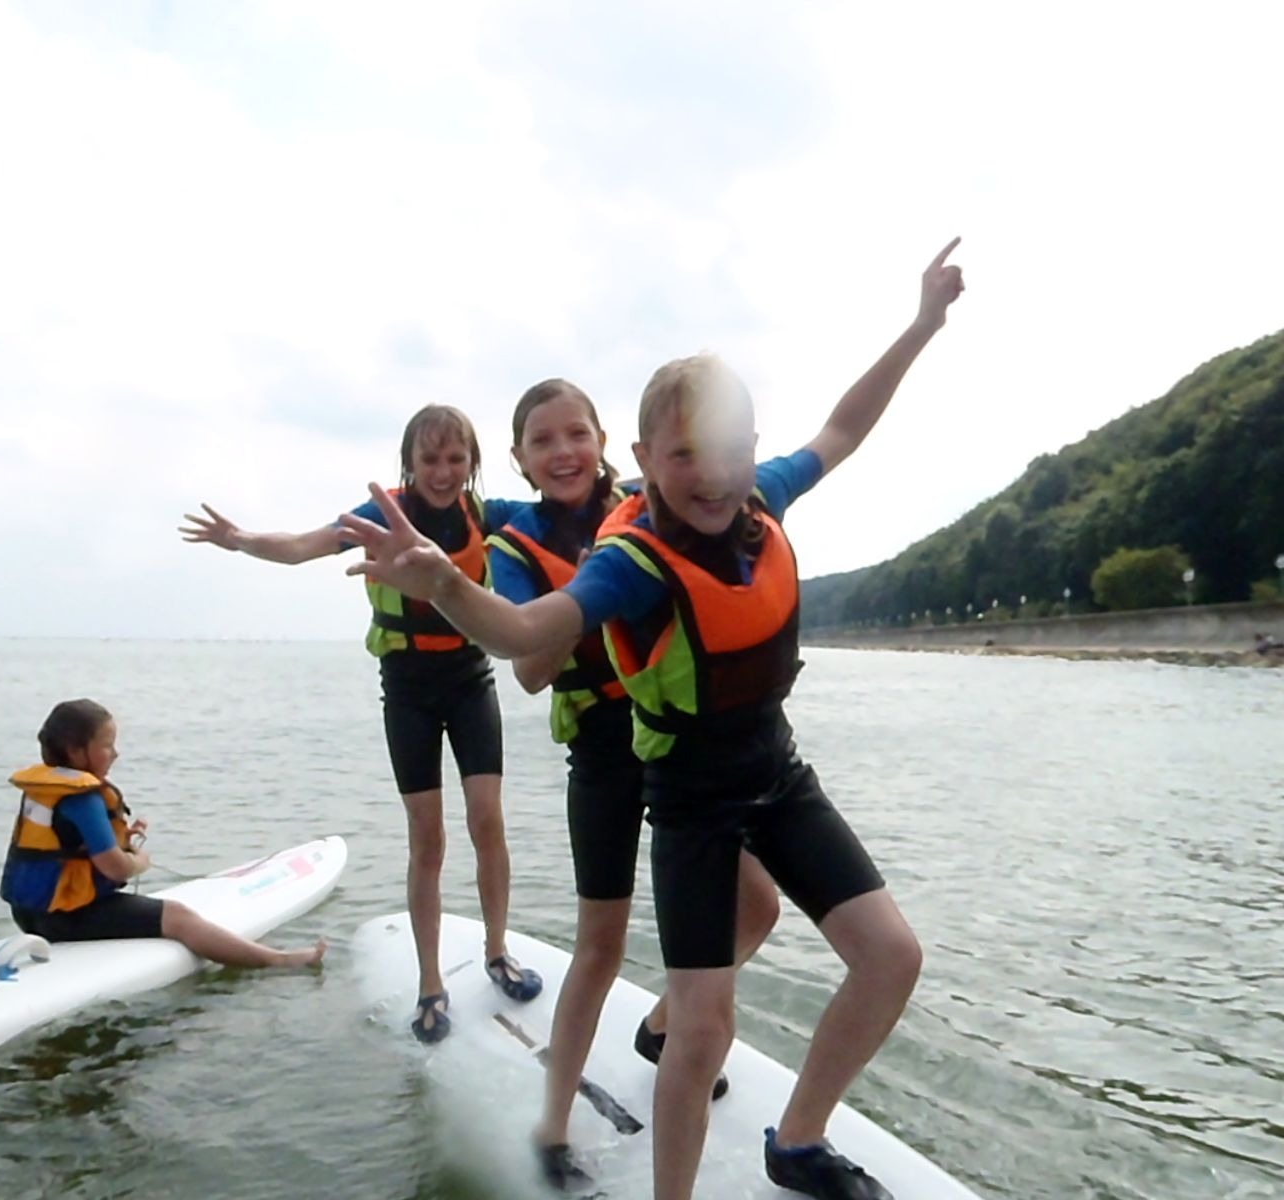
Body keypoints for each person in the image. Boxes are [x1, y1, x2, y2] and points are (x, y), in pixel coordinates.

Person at [339, 239, 966, 1200]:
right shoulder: (616, 559)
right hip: (664, 783)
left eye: (727, 451)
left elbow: (845, 425)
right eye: (682, 456)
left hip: (772, 771)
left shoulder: (752, 500)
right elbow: (525, 643)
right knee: (659, 989)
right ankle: (606, 1139)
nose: (710, 476)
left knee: (885, 956)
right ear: (645, 462)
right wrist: (441, 582)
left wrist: (920, 324)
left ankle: (787, 1131)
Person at [489, 379, 781, 1190]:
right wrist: (581, 597)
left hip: (684, 749)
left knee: (758, 905)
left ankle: (663, 1028)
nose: (563, 452)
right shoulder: (514, 550)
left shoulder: (648, 505)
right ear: (520, 459)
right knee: (601, 944)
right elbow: (529, 673)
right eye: (543, 441)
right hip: (607, 754)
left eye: (576, 434)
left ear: (605, 440)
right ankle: (553, 1120)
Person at [179, 404, 542, 1043]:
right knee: (427, 839)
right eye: (429, 459)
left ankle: (497, 950)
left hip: (469, 681)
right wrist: (240, 540)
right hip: (407, 690)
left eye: (455, 459)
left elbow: (565, 516)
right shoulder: (379, 514)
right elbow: (301, 548)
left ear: (473, 463)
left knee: (489, 820)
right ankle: (432, 984)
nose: (443, 471)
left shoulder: (488, 517)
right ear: (409, 463)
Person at [1, 698, 327, 968]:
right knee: (178, 917)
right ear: (76, 752)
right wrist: (140, 861)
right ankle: (280, 962)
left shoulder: (44, 788)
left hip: (28, 915)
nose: (115, 753)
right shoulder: (83, 797)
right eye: (107, 745)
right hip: (69, 919)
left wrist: (122, 837)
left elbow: (67, 847)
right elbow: (114, 867)